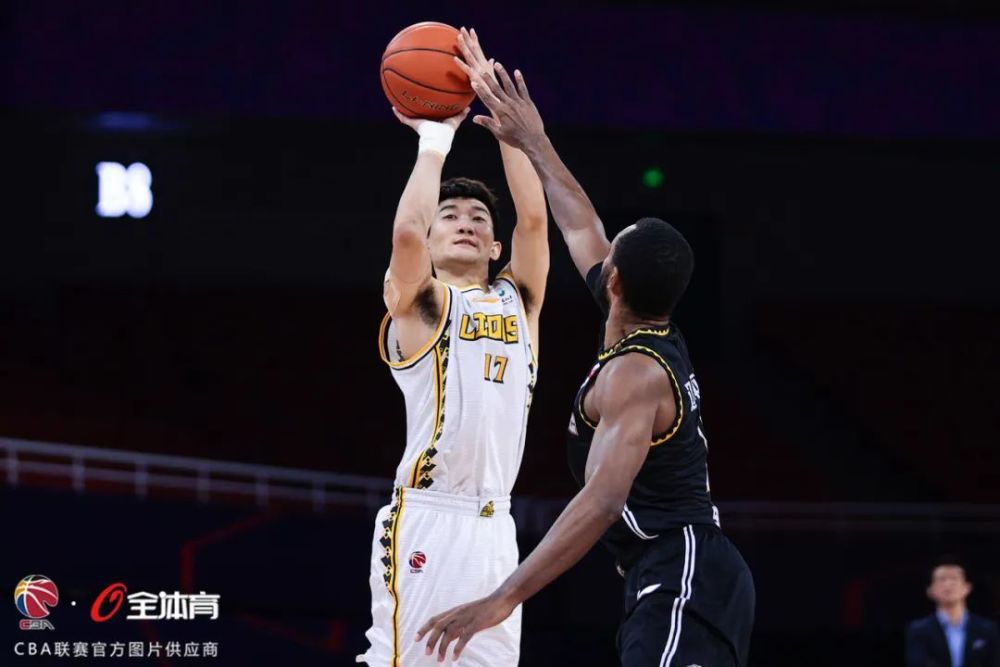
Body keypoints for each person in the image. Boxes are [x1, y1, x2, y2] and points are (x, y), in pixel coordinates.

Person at [416, 46, 754, 666]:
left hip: (684, 567)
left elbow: (600, 501)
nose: (599, 250)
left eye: (612, 253)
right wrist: (533, 140)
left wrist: (501, 599)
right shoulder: (649, 322)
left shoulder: (637, 373)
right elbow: (579, 224)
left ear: (615, 280)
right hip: (673, 571)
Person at [356, 29, 548, 667]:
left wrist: (509, 127)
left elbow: (534, 221)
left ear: (495, 249)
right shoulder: (422, 303)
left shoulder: (518, 301)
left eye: (478, 219)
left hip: (496, 528)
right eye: (453, 215)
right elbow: (407, 230)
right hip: (428, 520)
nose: (466, 220)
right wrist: (434, 139)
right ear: (436, 242)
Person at [906, 560, 999, 667]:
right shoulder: (918, 629)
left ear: (967, 588)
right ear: (930, 591)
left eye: (954, 578)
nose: (948, 584)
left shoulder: (988, 629)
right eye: (942, 579)